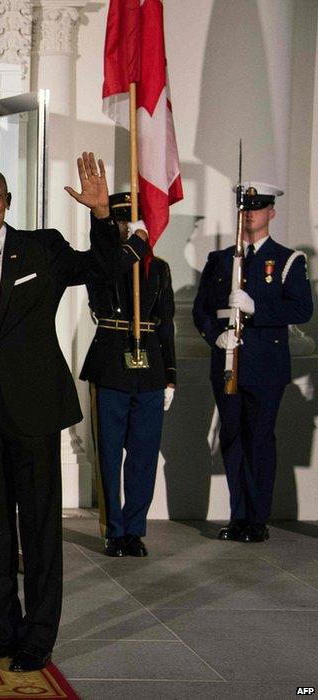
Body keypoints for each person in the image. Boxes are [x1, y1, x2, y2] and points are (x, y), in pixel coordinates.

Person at [0, 154, 150, 672]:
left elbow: (103, 265)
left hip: (34, 409)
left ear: (6, 202)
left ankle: (38, 638)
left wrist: (103, 216)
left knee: (38, 530)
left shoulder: (44, 247)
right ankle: (2, 630)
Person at [193, 182, 312, 543]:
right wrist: (215, 335)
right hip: (227, 362)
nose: (249, 215)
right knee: (232, 438)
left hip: (264, 366)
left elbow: (302, 309)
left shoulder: (289, 260)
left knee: (258, 439)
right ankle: (238, 516)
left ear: (271, 213)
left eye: (257, 208)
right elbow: (201, 309)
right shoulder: (220, 260)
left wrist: (257, 308)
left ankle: (257, 520)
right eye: (245, 209)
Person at [79, 192, 176, 558]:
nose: (125, 226)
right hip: (111, 364)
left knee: (143, 454)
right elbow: (105, 263)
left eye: (130, 221)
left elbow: (166, 323)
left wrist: (171, 375)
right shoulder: (103, 262)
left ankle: (134, 530)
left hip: (148, 366)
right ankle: (113, 530)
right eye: (119, 220)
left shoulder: (159, 268)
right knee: (108, 455)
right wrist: (131, 246)